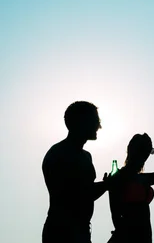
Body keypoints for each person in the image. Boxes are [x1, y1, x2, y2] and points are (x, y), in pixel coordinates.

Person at [42, 101, 112, 243]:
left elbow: (84, 192)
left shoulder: (86, 156)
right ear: (82, 122)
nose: (99, 126)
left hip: (81, 231)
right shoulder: (59, 154)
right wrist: (107, 185)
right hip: (62, 232)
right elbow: (77, 195)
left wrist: (106, 185)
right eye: (95, 121)